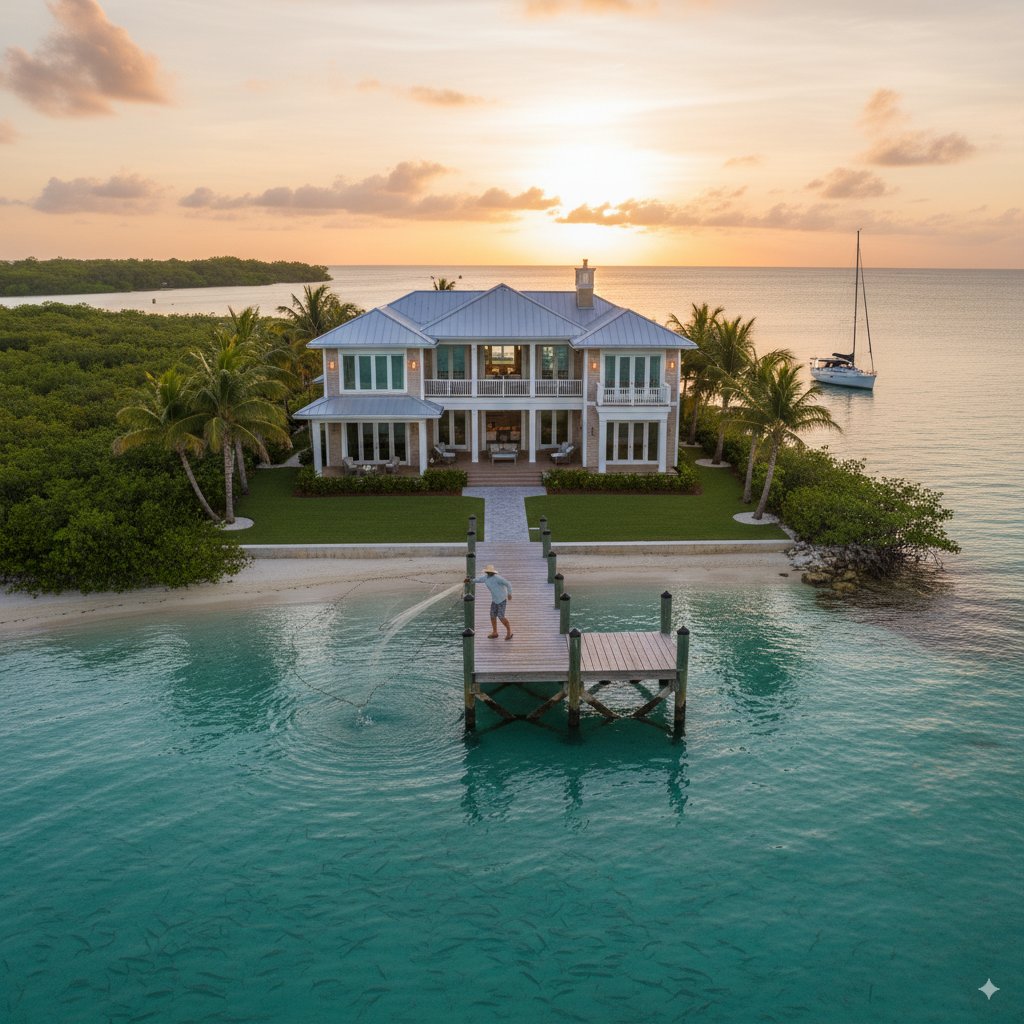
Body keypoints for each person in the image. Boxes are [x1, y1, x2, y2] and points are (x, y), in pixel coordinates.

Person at [464, 563, 513, 640]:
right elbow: (478, 580)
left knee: (501, 616)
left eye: (490, 572)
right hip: (494, 600)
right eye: (488, 572)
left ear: (493, 572)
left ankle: (509, 632)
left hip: (502, 600)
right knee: (492, 615)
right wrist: (469, 580)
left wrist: (509, 594)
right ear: (486, 572)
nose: (489, 573)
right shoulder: (485, 577)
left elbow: (508, 584)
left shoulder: (498, 578)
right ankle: (495, 632)